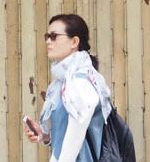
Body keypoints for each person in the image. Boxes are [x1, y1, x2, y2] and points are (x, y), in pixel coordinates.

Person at [23, 14, 112, 162]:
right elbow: (66, 136)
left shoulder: (80, 82)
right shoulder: (63, 83)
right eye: (47, 36)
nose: (48, 41)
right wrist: (44, 135)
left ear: (74, 42)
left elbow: (75, 139)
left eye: (54, 36)